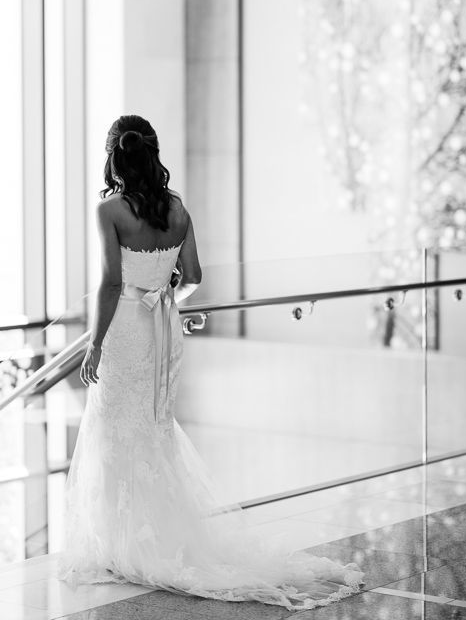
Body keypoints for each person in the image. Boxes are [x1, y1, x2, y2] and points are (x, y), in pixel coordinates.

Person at [57, 115, 364, 612]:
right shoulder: (177, 210)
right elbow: (194, 275)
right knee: (153, 426)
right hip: (163, 328)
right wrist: (164, 296)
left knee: (114, 427)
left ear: (113, 157)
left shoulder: (108, 211)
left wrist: (93, 345)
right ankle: (155, 537)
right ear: (152, 154)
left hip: (126, 331)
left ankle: (125, 544)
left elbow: (111, 284)